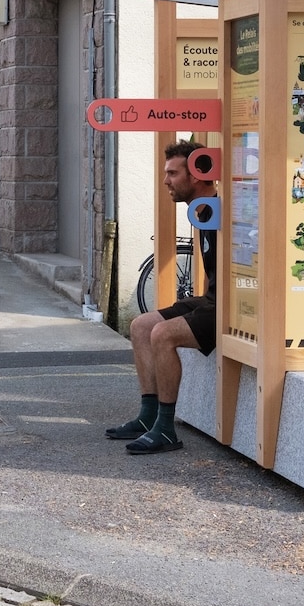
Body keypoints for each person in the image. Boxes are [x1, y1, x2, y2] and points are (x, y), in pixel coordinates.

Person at [106, 139, 218, 454]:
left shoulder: (223, 210)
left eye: (172, 173)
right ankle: (148, 417)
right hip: (211, 298)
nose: (166, 181)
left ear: (196, 175)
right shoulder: (205, 211)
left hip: (232, 306)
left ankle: (166, 429)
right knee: (141, 325)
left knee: (163, 334)